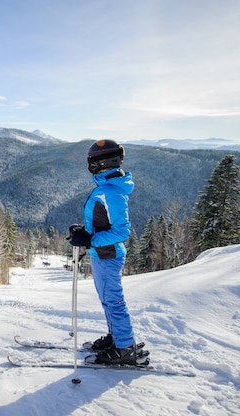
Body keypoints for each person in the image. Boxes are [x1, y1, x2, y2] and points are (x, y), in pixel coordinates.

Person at [69, 139, 142, 365]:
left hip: (108, 255)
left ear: (101, 163)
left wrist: (90, 239)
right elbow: (102, 222)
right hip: (101, 254)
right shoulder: (106, 186)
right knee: (107, 300)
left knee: (113, 301)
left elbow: (122, 231)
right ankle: (117, 338)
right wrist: (86, 232)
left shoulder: (112, 192)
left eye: (92, 162)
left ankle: (125, 349)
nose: (90, 166)